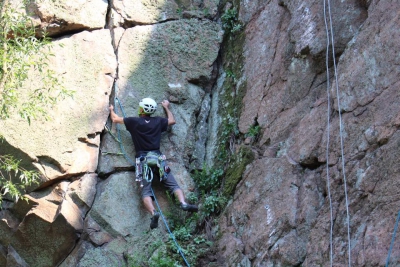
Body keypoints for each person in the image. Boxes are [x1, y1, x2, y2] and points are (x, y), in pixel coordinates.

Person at [109, 98, 198, 229]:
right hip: (158, 159)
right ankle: (183, 202)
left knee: (146, 191)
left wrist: (111, 109)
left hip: (143, 160)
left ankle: (153, 212)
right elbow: (172, 121)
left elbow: (115, 119)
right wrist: (166, 107)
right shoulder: (158, 121)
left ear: (141, 109)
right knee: (173, 185)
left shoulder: (134, 121)